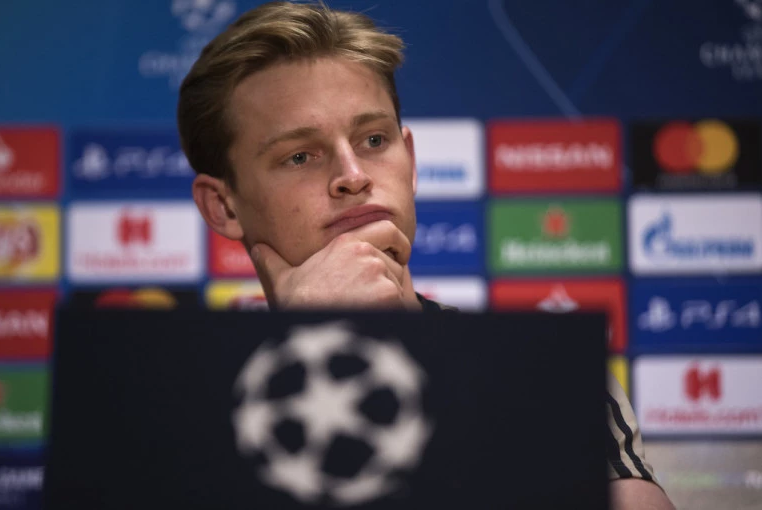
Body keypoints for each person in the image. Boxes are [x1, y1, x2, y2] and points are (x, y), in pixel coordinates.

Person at [178, 2, 675, 508]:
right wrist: (303, 342)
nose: (353, 175)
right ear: (223, 206)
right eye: (300, 156)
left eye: (374, 139)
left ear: (410, 161)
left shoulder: (541, 370)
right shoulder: (173, 401)